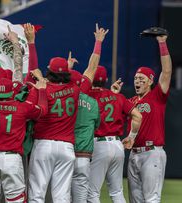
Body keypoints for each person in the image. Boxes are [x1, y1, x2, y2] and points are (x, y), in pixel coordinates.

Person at [27, 24, 108, 203]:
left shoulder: (42, 88)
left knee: (37, 194)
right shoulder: (74, 89)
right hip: (67, 148)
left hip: (44, 145)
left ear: (49, 72)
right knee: (62, 196)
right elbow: (91, 69)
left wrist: (40, 77)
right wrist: (98, 43)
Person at [112, 35, 172, 202]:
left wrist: (162, 43)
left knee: (151, 198)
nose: (137, 81)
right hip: (134, 154)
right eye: (136, 79)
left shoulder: (157, 96)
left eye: (141, 79)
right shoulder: (130, 101)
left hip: (152, 153)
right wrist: (114, 95)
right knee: (135, 199)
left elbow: (167, 71)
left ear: (150, 81)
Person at [87, 65, 142, 203]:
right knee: (117, 192)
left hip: (99, 144)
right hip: (117, 145)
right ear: (105, 79)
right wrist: (131, 137)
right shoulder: (118, 97)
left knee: (92, 193)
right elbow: (138, 116)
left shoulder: (87, 96)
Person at [69, 69, 100, 203]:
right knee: (81, 197)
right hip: (84, 156)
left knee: (62, 195)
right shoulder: (93, 103)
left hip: (67, 153)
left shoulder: (66, 100)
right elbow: (96, 125)